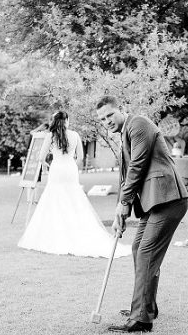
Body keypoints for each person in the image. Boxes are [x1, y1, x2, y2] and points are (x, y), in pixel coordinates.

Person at [96, 96, 188, 333]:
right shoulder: (124, 134)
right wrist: (120, 212)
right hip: (153, 202)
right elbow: (126, 177)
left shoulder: (138, 124)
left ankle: (141, 319)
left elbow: (137, 166)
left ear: (121, 109)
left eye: (110, 115)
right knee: (139, 249)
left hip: (167, 198)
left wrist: (124, 203)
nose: (107, 121)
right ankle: (147, 306)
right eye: (102, 119)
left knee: (146, 252)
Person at [18, 111, 132, 259]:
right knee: (73, 198)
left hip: (57, 169)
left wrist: (48, 164)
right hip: (70, 169)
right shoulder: (75, 135)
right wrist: (71, 165)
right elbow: (80, 157)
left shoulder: (50, 136)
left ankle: (56, 234)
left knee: (54, 199)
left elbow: (41, 157)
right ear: (67, 120)